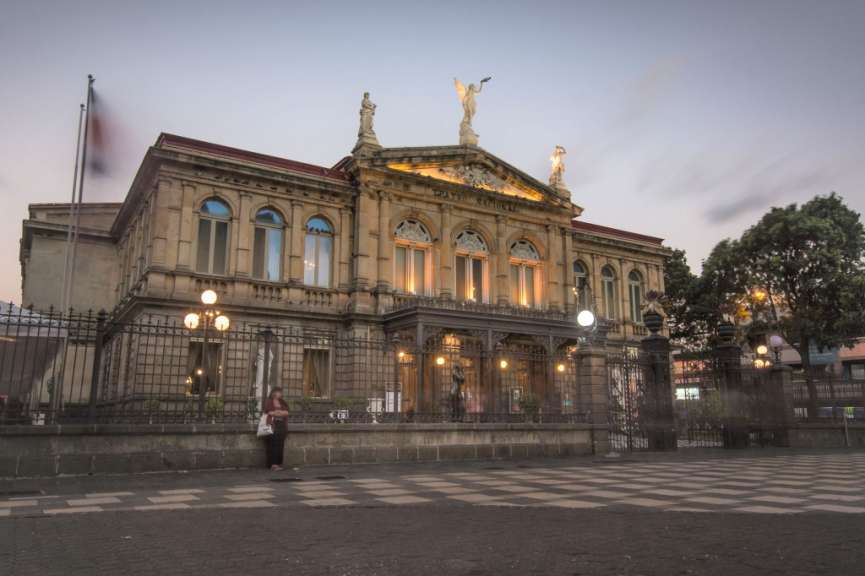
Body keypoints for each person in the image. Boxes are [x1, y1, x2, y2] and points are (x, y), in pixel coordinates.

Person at [263, 387, 289, 471]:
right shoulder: (269, 401)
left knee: (280, 444)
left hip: (281, 425)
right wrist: (280, 413)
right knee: (273, 444)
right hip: (272, 424)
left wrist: (277, 413)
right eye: (279, 392)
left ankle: (278, 464)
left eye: (281, 392)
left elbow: (287, 412)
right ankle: (272, 464)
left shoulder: (282, 402)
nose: (281, 394)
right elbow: (269, 412)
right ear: (274, 393)